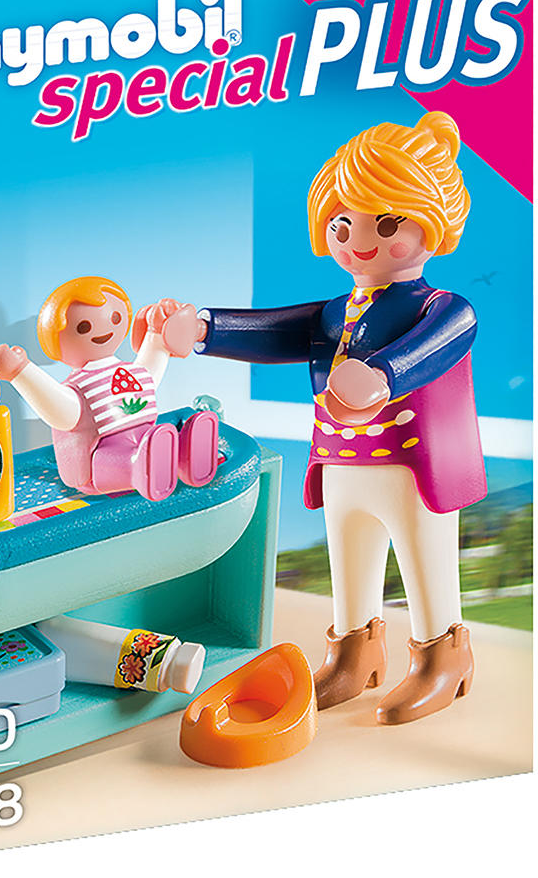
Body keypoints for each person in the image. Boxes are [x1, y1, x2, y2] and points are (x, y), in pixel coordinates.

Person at [176, 112, 486, 724]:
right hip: (342, 460)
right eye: (343, 223)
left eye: (387, 224)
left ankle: (442, 659)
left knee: (424, 560)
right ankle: (353, 654)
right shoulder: (334, 312)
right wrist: (207, 329)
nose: (360, 239)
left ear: (433, 221)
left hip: (412, 466)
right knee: (349, 559)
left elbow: (443, 340)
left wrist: (383, 375)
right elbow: (273, 330)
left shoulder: (442, 305)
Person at [0, 277, 217, 501]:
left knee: (156, 442)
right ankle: (140, 466)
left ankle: (184, 455)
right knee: (131, 456)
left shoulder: (128, 371)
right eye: (83, 327)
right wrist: (21, 372)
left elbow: (149, 372)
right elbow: (59, 412)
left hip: (146, 439)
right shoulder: (79, 387)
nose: (104, 328)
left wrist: (157, 333)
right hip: (96, 466)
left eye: (115, 318)